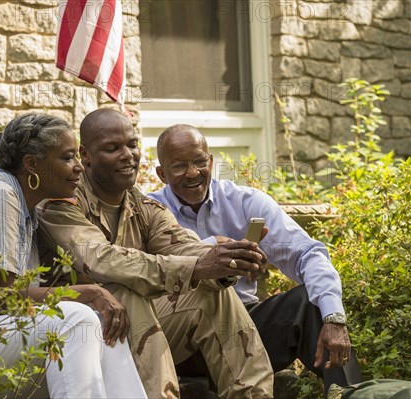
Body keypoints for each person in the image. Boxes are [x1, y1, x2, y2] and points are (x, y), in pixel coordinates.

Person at [36, 108, 274, 399]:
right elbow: (100, 260)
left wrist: (227, 258)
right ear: (85, 155)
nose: (128, 155)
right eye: (112, 148)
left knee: (214, 294)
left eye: (133, 145)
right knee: (126, 290)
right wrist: (198, 266)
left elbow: (182, 246)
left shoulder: (142, 205)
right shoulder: (62, 203)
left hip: (132, 331)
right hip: (76, 334)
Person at [0, 113, 147, 399]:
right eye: (68, 158)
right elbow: (2, 297)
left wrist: (92, 296)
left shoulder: (25, 206)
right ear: (31, 164)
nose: (79, 167)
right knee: (77, 318)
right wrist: (90, 292)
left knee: (98, 319)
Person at [148, 124, 362, 395]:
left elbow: (308, 253)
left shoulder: (245, 202)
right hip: (182, 342)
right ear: (162, 174)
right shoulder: (150, 212)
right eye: (179, 166)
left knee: (310, 305)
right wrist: (213, 250)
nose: (192, 173)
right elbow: (147, 270)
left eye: (200, 162)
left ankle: (353, 393)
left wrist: (334, 317)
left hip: (245, 329)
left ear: (211, 161)